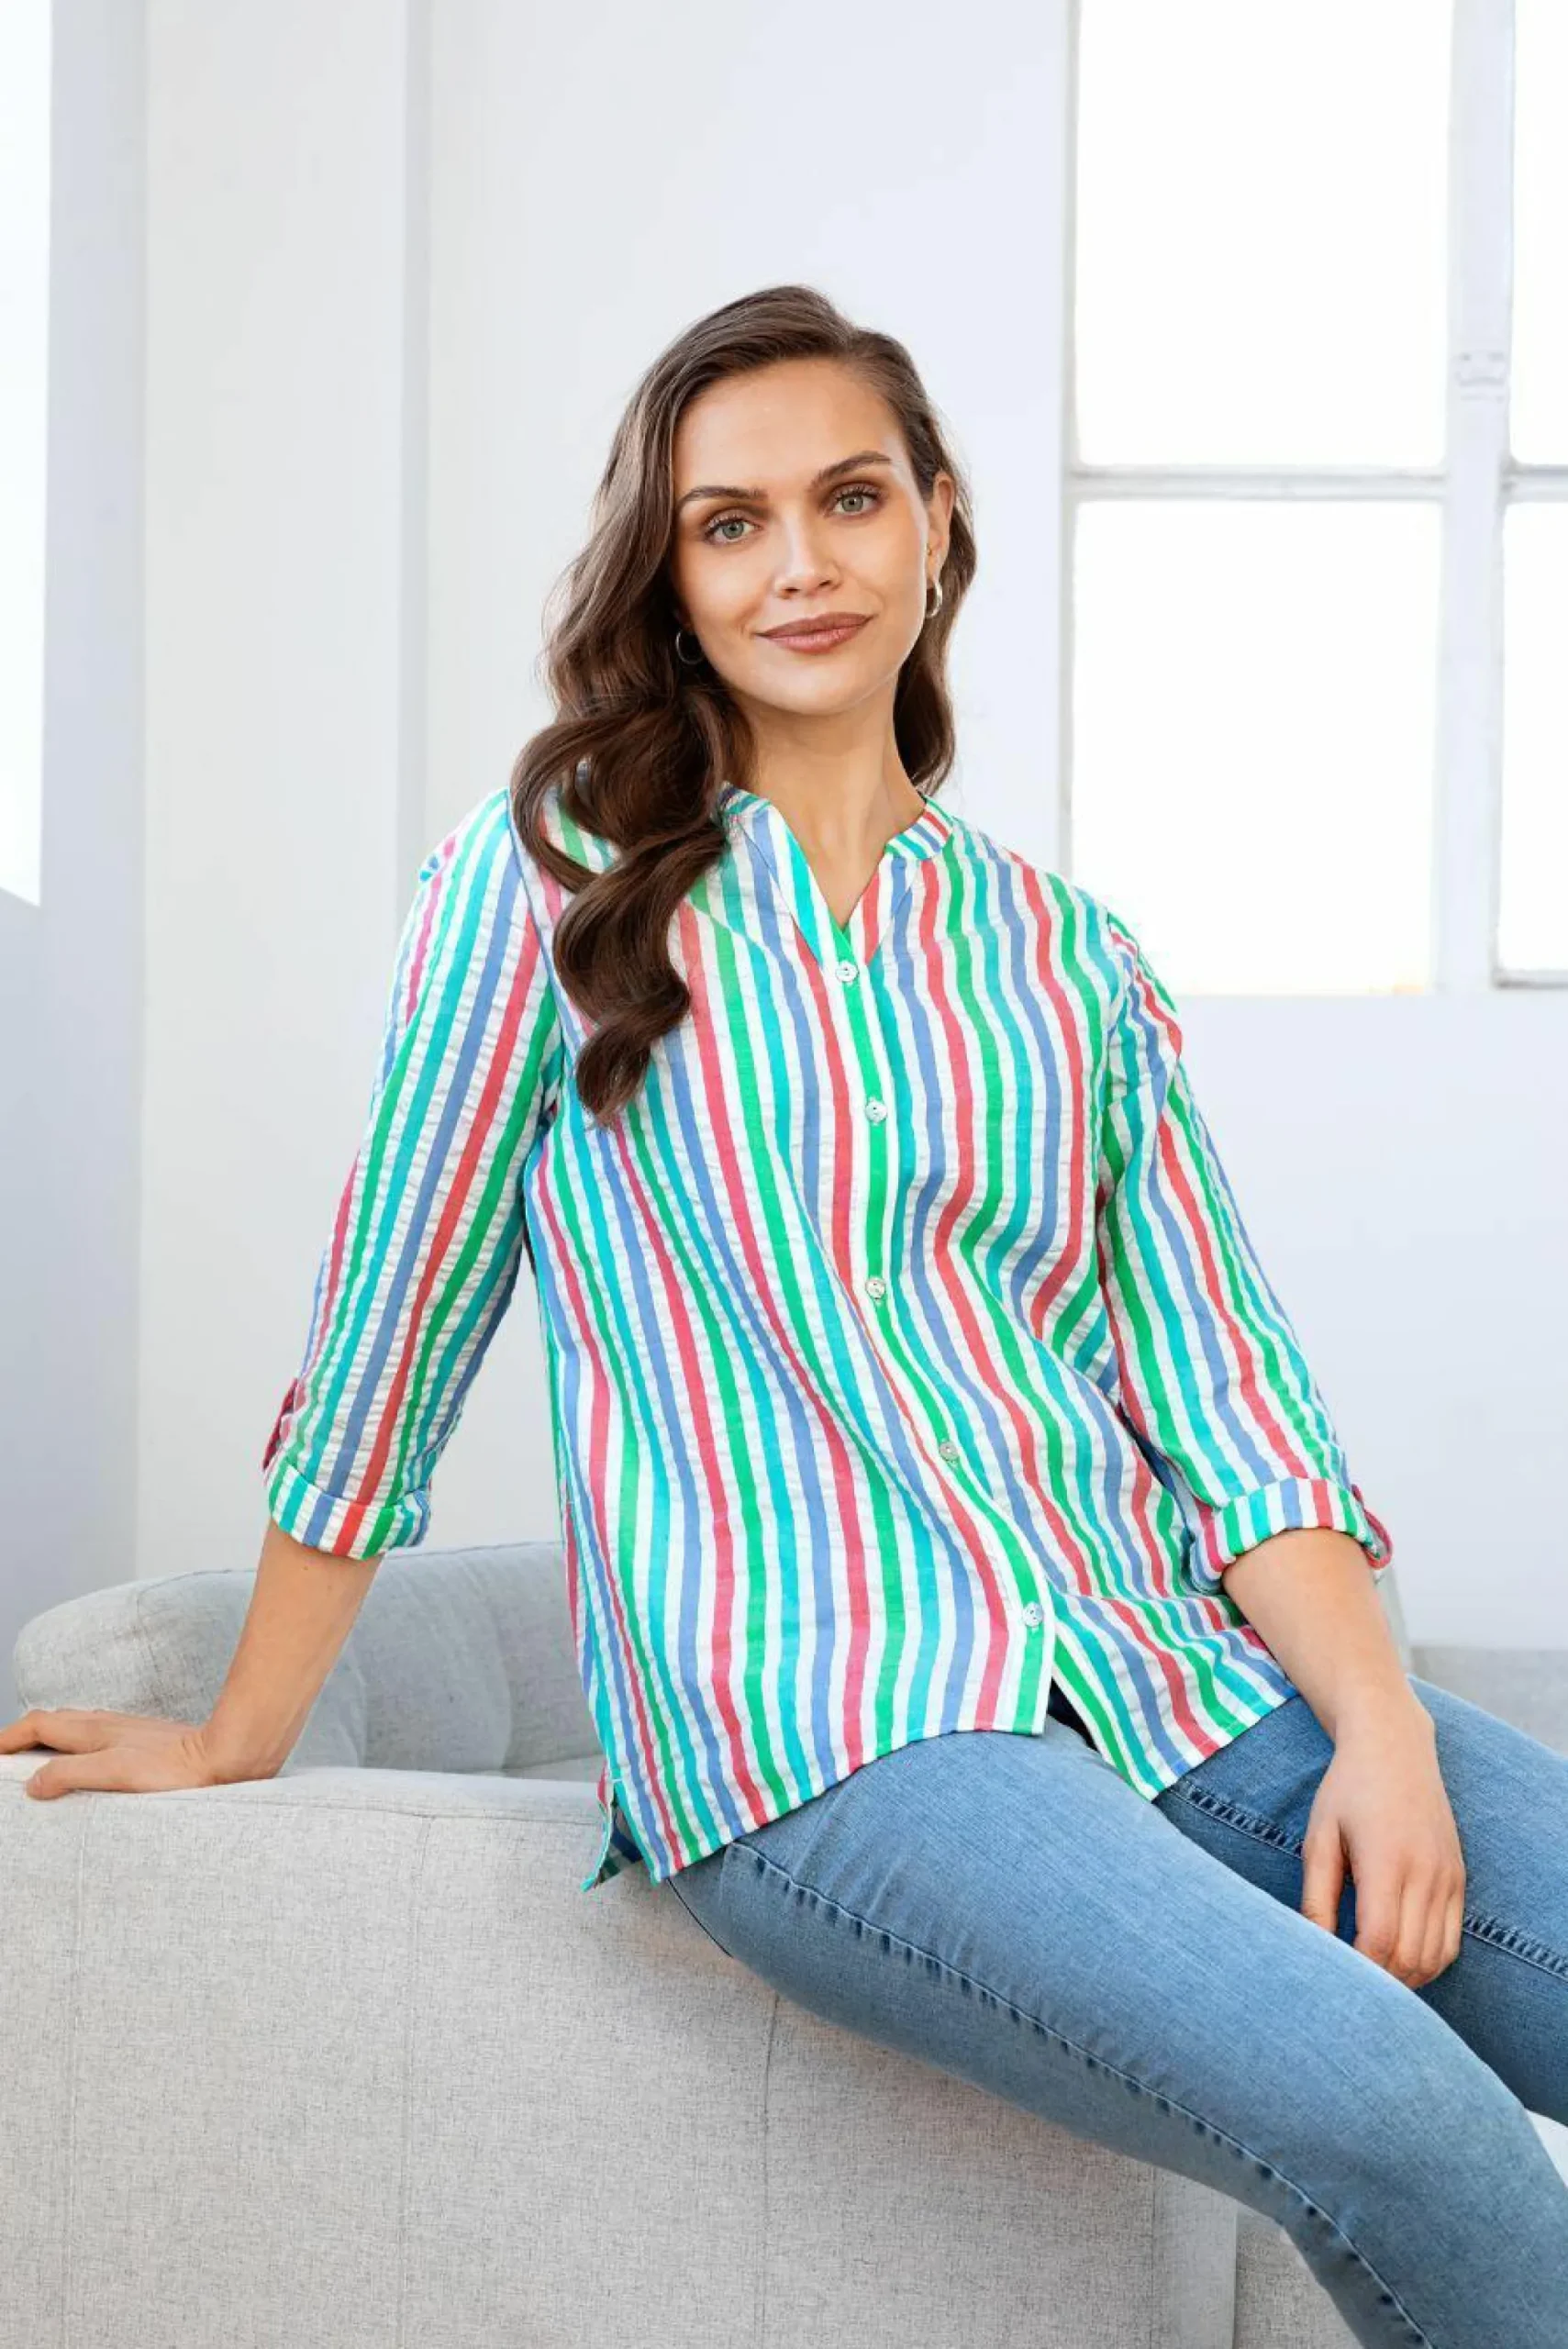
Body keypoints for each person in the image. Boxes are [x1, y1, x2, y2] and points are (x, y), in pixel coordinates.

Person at [6, 285, 1565, 2342]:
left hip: (1163, 1671)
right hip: (828, 1740)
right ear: (668, 576)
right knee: (1415, 2123)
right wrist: (241, 1726)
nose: (798, 564)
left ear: (937, 515)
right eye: (727, 523)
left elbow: (1230, 1404)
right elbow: (397, 1314)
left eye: (848, 498)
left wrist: (1379, 1728)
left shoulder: (1063, 955)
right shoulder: (546, 879)